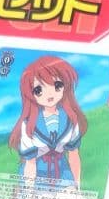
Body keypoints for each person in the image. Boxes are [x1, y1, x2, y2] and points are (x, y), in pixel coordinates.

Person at [9, 55, 87, 189]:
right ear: (30, 94)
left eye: (57, 85)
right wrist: (28, 193)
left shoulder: (71, 119)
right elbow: (30, 163)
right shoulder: (29, 124)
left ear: (65, 86)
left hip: (62, 172)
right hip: (36, 175)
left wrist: (77, 187)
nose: (49, 94)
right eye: (38, 90)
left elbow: (74, 156)